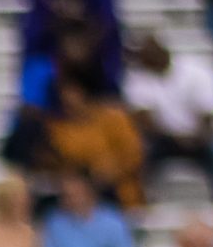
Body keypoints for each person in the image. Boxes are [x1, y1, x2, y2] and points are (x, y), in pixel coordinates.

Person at [123, 33, 213, 206]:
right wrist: (174, 137)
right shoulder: (138, 78)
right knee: (138, 156)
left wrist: (198, 137)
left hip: (199, 137)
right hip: (163, 139)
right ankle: (142, 207)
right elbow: (143, 120)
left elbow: (210, 113)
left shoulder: (195, 70)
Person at [44, 75, 145, 207]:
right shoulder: (58, 129)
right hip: (82, 194)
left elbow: (134, 154)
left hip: (121, 192)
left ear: (85, 93)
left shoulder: (115, 119)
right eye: (62, 95)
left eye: (72, 92)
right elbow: (65, 162)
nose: (67, 99)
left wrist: (110, 171)